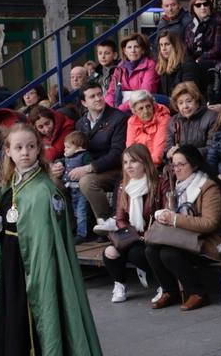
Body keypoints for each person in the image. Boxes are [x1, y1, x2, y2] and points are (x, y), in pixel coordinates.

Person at [0, 123, 109, 356]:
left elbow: (48, 232)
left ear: (39, 149)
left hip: (40, 264)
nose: (25, 152)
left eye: (30, 146)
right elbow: (6, 224)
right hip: (12, 261)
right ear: (8, 152)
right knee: (14, 316)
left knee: (38, 315)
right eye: (18, 147)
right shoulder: (12, 184)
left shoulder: (45, 189)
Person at [146, 145, 221, 312]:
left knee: (168, 253)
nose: (176, 169)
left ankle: (198, 293)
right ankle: (170, 291)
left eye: (181, 164)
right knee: (151, 250)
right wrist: (164, 215)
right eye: (174, 165)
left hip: (205, 241)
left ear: (194, 164)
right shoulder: (178, 186)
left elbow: (209, 223)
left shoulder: (208, 187)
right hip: (183, 237)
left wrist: (175, 219)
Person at [100, 143, 167, 304]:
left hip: (154, 235)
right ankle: (120, 284)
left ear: (145, 162)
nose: (128, 166)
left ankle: (164, 284)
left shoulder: (159, 183)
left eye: (133, 161)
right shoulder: (124, 186)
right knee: (109, 252)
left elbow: (165, 212)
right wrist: (132, 236)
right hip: (132, 235)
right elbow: (120, 218)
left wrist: (144, 236)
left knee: (136, 253)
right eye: (125, 162)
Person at [65, 81, 127, 228]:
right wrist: (61, 165)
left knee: (86, 182)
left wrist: (89, 168)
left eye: (100, 94)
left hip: (114, 170)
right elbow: (75, 148)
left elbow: (117, 153)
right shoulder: (81, 123)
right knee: (59, 180)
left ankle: (107, 223)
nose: (98, 98)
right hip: (87, 167)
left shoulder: (118, 118)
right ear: (84, 103)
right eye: (92, 96)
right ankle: (75, 228)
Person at [164, 82, 218, 158]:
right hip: (178, 163)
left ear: (197, 101)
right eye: (180, 103)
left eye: (189, 101)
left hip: (203, 162)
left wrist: (185, 154)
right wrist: (169, 153)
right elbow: (167, 148)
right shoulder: (173, 121)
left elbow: (212, 148)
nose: (185, 106)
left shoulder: (212, 117)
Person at [154, 32, 207, 102]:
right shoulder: (162, 67)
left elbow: (189, 93)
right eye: (161, 45)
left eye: (167, 44)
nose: (163, 48)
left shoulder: (188, 65)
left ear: (176, 46)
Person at [59, 130, 92, 241]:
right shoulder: (68, 157)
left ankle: (82, 234)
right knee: (74, 210)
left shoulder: (84, 156)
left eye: (68, 147)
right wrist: (58, 163)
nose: (65, 149)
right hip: (71, 190)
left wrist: (85, 170)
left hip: (81, 189)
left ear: (79, 148)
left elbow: (90, 167)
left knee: (81, 211)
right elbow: (62, 160)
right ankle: (75, 230)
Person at [125, 91, 172, 166]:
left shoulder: (163, 119)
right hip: (137, 165)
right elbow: (130, 150)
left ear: (153, 105)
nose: (146, 111)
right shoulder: (132, 121)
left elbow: (158, 155)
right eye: (141, 108)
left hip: (156, 166)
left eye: (148, 106)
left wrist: (139, 165)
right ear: (134, 111)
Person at [111, 34, 159, 108]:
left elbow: (144, 93)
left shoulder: (150, 65)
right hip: (119, 108)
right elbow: (111, 91)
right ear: (125, 51)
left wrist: (119, 110)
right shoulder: (120, 67)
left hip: (141, 107)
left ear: (142, 50)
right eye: (129, 47)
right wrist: (110, 109)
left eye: (136, 47)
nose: (133, 50)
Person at [183, 0, 221, 70]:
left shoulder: (218, 22)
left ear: (210, 7)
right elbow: (187, 48)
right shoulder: (190, 26)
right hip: (194, 62)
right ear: (193, 9)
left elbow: (218, 49)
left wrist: (200, 59)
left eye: (205, 4)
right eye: (198, 5)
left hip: (214, 63)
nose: (203, 7)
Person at [91, 39, 122, 103]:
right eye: (100, 53)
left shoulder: (120, 71)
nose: (103, 56)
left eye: (107, 53)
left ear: (115, 55)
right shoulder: (96, 73)